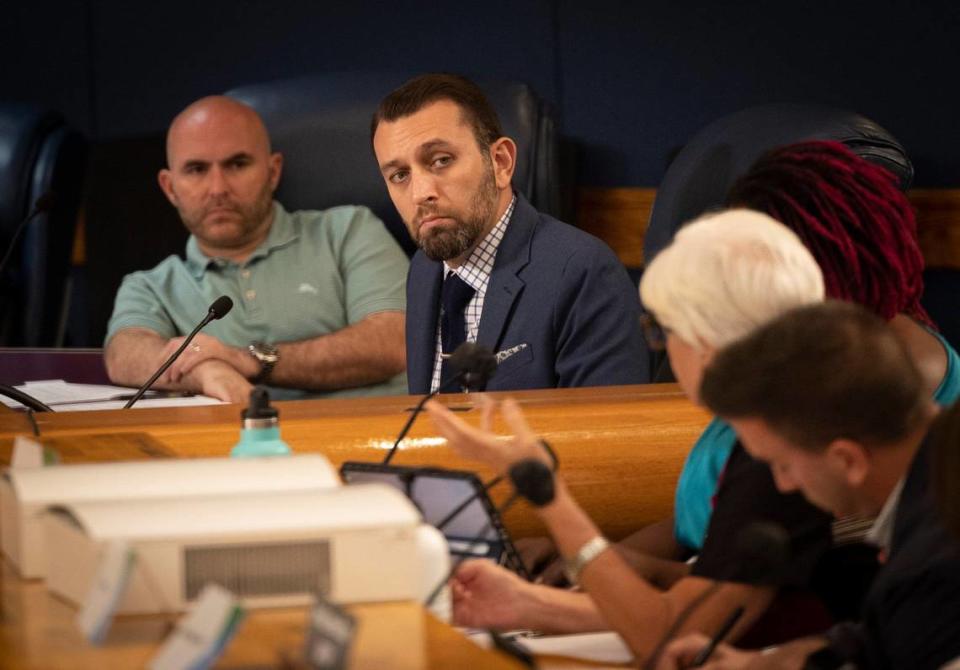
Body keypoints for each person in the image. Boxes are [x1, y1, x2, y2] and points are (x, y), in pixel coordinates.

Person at [425, 209, 847, 662]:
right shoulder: (773, 426)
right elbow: (695, 599)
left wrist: (547, 495)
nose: (664, 350)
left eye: (664, 331)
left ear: (707, 341)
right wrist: (527, 604)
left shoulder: (779, 455)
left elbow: (668, 636)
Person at [670, 140, 960, 565]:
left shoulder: (839, 398)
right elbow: (710, 520)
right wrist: (599, 560)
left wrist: (586, 556)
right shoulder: (790, 361)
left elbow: (742, 575)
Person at [658, 302, 960, 670]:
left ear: (848, 460)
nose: (783, 486)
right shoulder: (935, 476)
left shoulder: (935, 560)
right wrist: (756, 666)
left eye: (782, 465)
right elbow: (875, 642)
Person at [105, 96, 409, 403]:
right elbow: (124, 355)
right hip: (241, 446)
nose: (218, 188)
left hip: (373, 438)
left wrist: (250, 361)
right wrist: (209, 372)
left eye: (237, 164)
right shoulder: (150, 287)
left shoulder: (347, 230)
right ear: (170, 188)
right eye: (196, 169)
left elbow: (393, 341)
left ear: (273, 172)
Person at [370, 73, 649, 393]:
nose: (420, 193)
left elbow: (605, 433)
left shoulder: (582, 271)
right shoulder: (424, 269)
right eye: (399, 175)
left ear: (500, 163)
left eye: (441, 160)